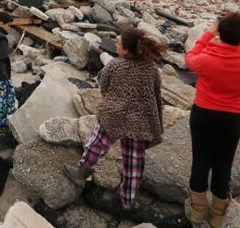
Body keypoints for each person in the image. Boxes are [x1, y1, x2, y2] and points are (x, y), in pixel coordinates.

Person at [64, 27, 165, 209]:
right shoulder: (152, 69)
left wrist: (115, 98)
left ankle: (81, 173)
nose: (115, 44)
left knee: (96, 144)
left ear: (125, 50)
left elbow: (103, 85)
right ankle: (127, 198)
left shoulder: (116, 65)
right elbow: (156, 93)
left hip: (114, 114)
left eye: (118, 42)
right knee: (134, 160)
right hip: (140, 120)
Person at [184, 12, 240, 228]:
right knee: (223, 164)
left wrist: (210, 33)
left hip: (203, 114)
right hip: (231, 119)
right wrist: (236, 43)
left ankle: (198, 212)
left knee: (200, 160)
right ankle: (218, 215)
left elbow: (189, 58)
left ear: (220, 33)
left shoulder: (207, 60)